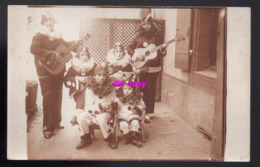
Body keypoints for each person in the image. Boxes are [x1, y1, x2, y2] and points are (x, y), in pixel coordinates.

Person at [30, 12, 79, 139]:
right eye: (47, 21)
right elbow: (34, 49)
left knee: (57, 96)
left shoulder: (57, 37)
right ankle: (47, 127)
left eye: (51, 21)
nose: (50, 23)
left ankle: (56, 122)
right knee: (48, 98)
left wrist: (76, 43)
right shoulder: (39, 36)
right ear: (43, 22)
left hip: (58, 71)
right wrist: (52, 54)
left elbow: (66, 46)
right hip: (45, 71)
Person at [126, 13, 167, 123]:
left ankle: (148, 112)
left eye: (148, 24)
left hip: (153, 67)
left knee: (150, 89)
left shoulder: (157, 36)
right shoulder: (137, 36)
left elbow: (162, 53)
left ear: (152, 25)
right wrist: (136, 55)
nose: (147, 26)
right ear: (141, 25)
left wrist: (163, 49)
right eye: (144, 24)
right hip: (141, 66)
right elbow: (129, 48)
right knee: (141, 88)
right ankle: (140, 110)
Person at [75, 64, 118, 150]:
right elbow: (88, 104)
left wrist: (112, 105)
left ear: (107, 75)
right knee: (81, 117)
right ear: (95, 75)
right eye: (99, 75)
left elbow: (114, 99)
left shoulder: (111, 86)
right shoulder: (90, 87)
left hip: (105, 112)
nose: (102, 78)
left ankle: (109, 138)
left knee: (101, 119)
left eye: (104, 75)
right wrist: (99, 107)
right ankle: (86, 138)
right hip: (92, 111)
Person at [64, 46, 96, 125]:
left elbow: (97, 76)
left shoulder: (92, 65)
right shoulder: (74, 67)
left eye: (86, 55)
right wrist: (77, 79)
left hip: (91, 89)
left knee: (87, 92)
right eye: (82, 55)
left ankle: (78, 114)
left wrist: (89, 79)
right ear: (78, 55)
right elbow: (66, 80)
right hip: (77, 90)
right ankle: (79, 114)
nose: (84, 57)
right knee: (83, 93)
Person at [115, 77, 146, 147]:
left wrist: (138, 108)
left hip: (133, 115)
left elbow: (142, 105)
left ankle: (134, 137)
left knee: (135, 123)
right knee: (123, 125)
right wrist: (115, 105)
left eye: (129, 89)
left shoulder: (137, 97)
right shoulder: (119, 97)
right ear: (122, 89)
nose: (127, 91)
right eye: (125, 89)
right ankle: (127, 137)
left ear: (133, 89)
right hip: (122, 115)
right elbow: (117, 104)